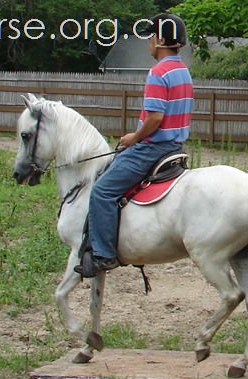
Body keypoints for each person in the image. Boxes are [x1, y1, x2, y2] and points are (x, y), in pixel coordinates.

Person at [76, 13, 194, 277]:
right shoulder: (183, 71)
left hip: (152, 148)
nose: (148, 43)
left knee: (102, 191)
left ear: (161, 39)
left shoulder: (158, 72)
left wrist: (134, 137)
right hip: (176, 147)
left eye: (151, 37)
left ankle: (104, 255)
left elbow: (155, 118)